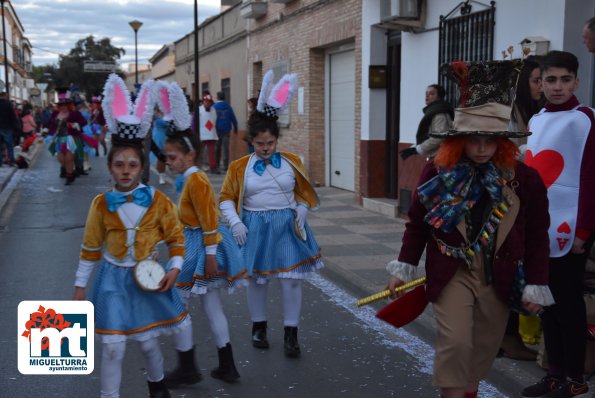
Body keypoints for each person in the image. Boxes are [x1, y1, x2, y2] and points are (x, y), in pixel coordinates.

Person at [385, 60, 554, 398]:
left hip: (499, 271)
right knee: (456, 341)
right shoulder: (437, 173)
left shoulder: (524, 179)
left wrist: (536, 283)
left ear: (502, 141)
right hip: (452, 269)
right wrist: (404, 267)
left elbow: (537, 235)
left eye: (489, 140)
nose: (480, 148)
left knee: (483, 346)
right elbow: (417, 223)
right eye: (472, 139)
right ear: (458, 139)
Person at [73, 74, 189, 398]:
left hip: (147, 278)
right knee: (112, 348)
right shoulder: (101, 205)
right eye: (120, 164)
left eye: (133, 165)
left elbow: (177, 238)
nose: (126, 170)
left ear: (142, 169)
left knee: (149, 343)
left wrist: (175, 268)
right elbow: (90, 247)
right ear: (110, 168)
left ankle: (158, 387)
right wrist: (80, 287)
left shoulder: (158, 201)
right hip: (111, 281)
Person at [219, 70, 324, 358]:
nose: (265, 149)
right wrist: (236, 222)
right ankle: (259, 327)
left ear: (277, 139)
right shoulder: (239, 168)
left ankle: (292, 333)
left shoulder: (293, 161)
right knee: (257, 279)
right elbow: (226, 198)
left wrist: (302, 209)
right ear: (251, 142)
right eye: (259, 144)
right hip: (254, 225)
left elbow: (304, 192)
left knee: (291, 280)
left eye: (270, 143)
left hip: (287, 225)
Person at [155, 81, 246, 386]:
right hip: (199, 243)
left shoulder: (196, 180)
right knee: (211, 305)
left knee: (176, 300)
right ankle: (226, 365)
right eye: (167, 157)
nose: (169, 162)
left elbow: (208, 219)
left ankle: (188, 367)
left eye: (173, 157)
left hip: (200, 247)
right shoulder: (190, 179)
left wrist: (209, 255)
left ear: (190, 156)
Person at [521, 50, 595, 398]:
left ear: (576, 81)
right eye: (550, 79)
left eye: (565, 79)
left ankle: (575, 379)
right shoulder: (535, 121)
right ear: (540, 83)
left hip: (570, 228)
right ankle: (555, 373)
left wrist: (583, 231)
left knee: (568, 305)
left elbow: (591, 178)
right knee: (545, 301)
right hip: (539, 228)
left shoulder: (586, 120)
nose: (557, 86)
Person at [499, 56, 547, 361]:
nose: (542, 87)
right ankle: (507, 337)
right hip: (509, 197)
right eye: (537, 80)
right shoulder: (510, 112)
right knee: (509, 266)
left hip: (534, 193)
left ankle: (514, 336)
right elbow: (504, 151)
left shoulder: (539, 112)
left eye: (547, 80)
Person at [47, 88, 90, 185]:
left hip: (71, 139)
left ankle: (69, 176)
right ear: (59, 106)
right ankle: (71, 172)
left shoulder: (74, 113)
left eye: (65, 105)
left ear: (69, 105)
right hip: (59, 140)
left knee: (69, 158)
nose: (63, 107)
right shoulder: (55, 114)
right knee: (61, 159)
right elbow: (50, 124)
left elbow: (83, 122)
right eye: (61, 105)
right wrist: (46, 130)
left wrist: (76, 124)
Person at [400, 84, 454, 160]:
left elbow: (439, 137)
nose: (427, 96)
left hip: (441, 158)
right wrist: (416, 147)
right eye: (426, 94)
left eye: (431, 93)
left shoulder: (440, 114)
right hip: (438, 156)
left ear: (439, 97)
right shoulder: (434, 111)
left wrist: (417, 149)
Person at [213, 91, 238, 172]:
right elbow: (233, 118)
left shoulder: (214, 107)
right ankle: (225, 165)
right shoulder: (228, 106)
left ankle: (216, 164)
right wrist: (236, 128)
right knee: (226, 148)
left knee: (217, 148)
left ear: (217, 97)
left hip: (217, 130)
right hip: (226, 129)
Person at [198, 92, 218, 173]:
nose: (207, 103)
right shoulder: (199, 110)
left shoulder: (214, 110)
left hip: (212, 134)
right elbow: (194, 123)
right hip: (201, 134)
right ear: (203, 102)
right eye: (206, 101)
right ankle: (200, 165)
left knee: (212, 152)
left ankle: (213, 167)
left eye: (209, 102)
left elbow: (215, 121)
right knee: (201, 151)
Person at [0, 92, 18, 167]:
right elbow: (13, 116)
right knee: (9, 145)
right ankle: (11, 161)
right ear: (5, 96)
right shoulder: (9, 104)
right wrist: (15, 127)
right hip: (7, 127)